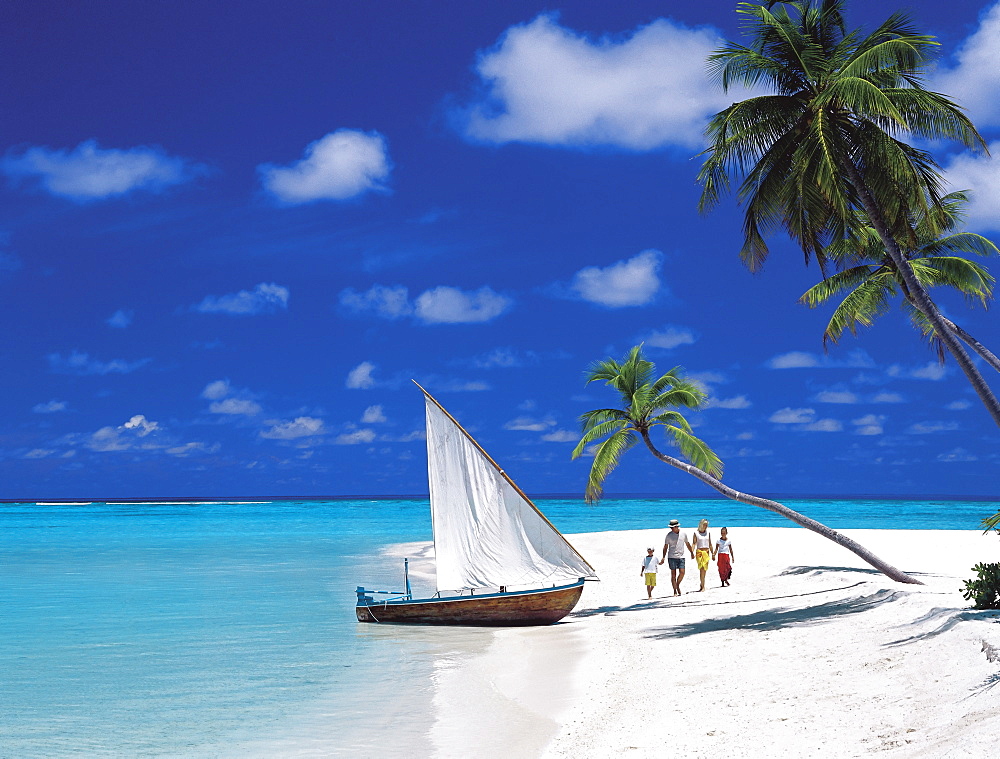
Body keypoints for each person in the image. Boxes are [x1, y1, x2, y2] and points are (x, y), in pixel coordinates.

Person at [661, 519, 693, 596]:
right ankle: (675, 590)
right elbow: (665, 546)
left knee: (682, 572)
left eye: (673, 527)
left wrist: (691, 552)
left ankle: (677, 584)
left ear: (677, 526)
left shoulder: (683, 534)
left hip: (681, 556)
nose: (671, 529)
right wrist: (663, 557)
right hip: (671, 556)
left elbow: (687, 543)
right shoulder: (669, 535)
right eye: (671, 527)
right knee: (673, 574)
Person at [693, 519, 714, 592]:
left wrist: (713, 553)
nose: (706, 527)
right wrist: (692, 552)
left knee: (704, 569)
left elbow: (710, 543)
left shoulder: (708, 533)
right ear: (701, 525)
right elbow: (694, 543)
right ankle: (703, 586)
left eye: (707, 525)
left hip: (706, 552)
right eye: (705, 525)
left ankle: (702, 584)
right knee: (701, 569)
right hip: (699, 552)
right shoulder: (696, 533)